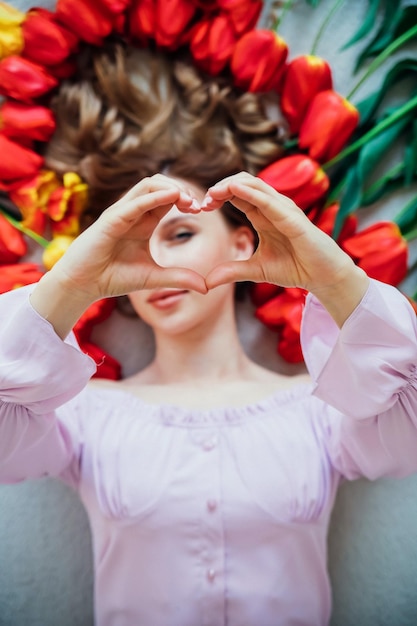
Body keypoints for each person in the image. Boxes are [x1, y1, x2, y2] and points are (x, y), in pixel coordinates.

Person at [1, 42, 417, 626]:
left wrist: (331, 273)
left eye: (178, 236)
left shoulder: (324, 410)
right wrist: (73, 279)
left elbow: (408, 424)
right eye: (134, 249)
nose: (157, 269)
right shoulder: (84, 415)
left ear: (243, 242)